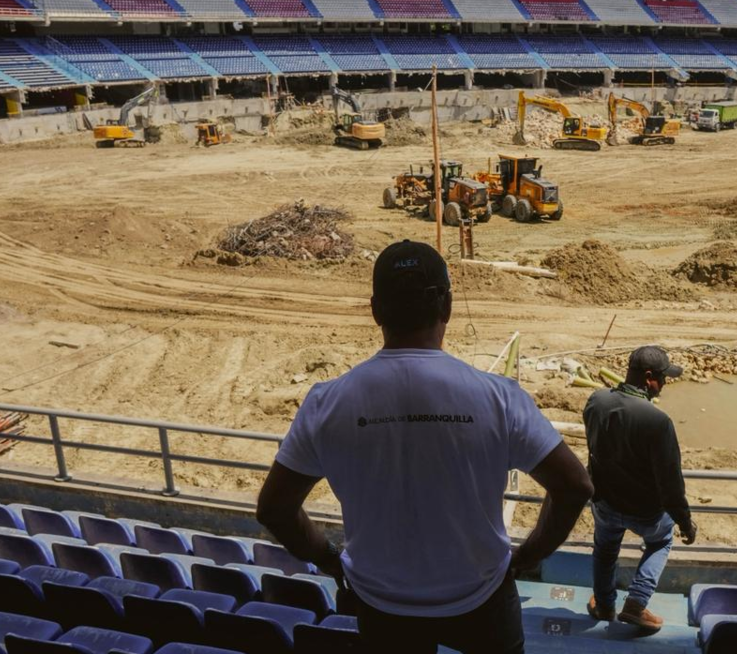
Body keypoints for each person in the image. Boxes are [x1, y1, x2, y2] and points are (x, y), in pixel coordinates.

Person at [256, 240, 593, 654]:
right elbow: (575, 485)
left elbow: (274, 507)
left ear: (376, 311)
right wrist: (528, 554)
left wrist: (328, 558)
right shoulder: (498, 398)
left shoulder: (327, 403)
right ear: (446, 308)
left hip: (381, 604)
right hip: (482, 596)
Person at [582, 346, 697, 632]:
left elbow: (593, 447)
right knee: (661, 542)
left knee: (606, 549)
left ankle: (605, 605)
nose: (665, 383)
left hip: (606, 503)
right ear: (649, 378)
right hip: (647, 512)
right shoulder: (658, 421)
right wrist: (684, 521)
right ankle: (636, 603)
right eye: (663, 377)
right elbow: (670, 482)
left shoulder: (596, 401)